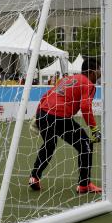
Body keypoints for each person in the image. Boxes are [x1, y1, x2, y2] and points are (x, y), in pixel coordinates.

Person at [29, 57, 102, 194]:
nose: (100, 73)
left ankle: (34, 177)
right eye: (99, 70)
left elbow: (46, 95)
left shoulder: (67, 78)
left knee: (49, 145)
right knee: (85, 143)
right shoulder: (89, 84)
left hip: (43, 112)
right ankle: (84, 185)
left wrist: (37, 116)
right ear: (92, 71)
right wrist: (94, 129)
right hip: (59, 115)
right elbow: (85, 107)